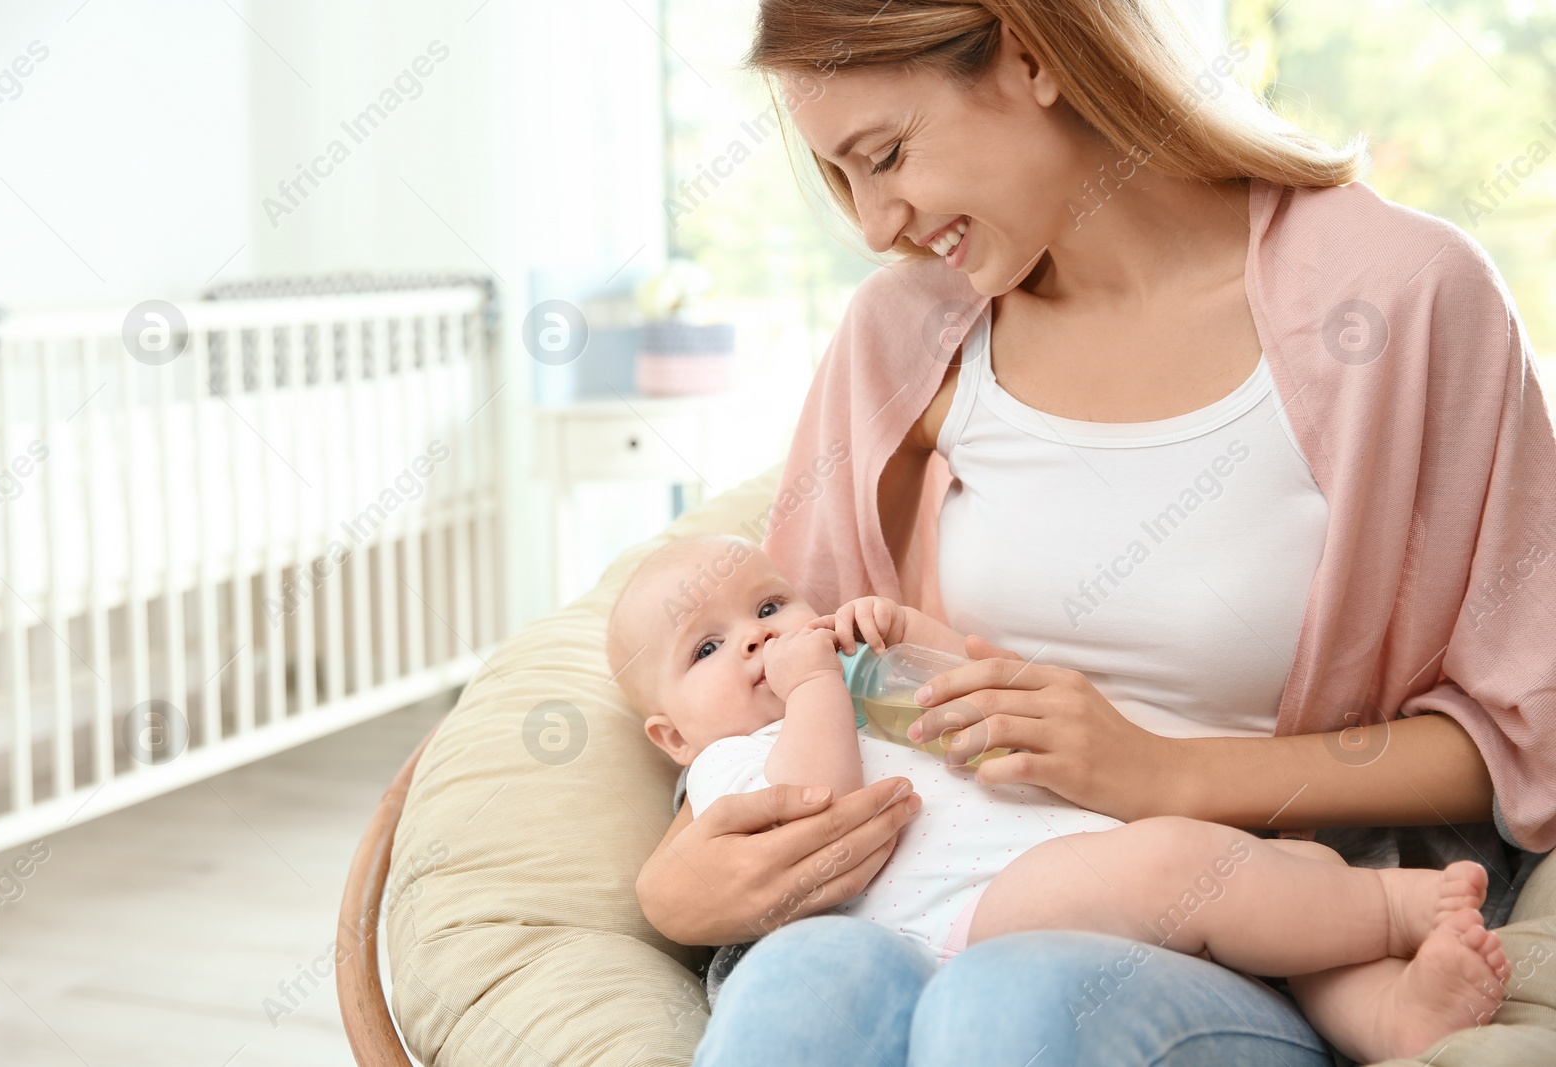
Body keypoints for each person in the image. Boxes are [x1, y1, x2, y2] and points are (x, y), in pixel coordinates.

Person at [632, 3, 1556, 1065]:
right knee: (803, 980)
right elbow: (772, 683)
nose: (876, 223)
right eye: (842, 179)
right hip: (946, 905)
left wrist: (1162, 771)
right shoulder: (907, 335)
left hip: (1258, 932)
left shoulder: (1402, 299)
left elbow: (1509, 742)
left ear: (1031, 54)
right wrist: (675, 880)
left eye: (884, 156)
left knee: (1010, 1004)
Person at [609, 533, 1509, 1064]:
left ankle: (1398, 1015)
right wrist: (811, 688)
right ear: (671, 736)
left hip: (1074, 862)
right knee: (1185, 866)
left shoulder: (853, 692)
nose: (759, 641)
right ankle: (1391, 908)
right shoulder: (728, 768)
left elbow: (983, 703)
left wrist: (912, 640)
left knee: (1281, 885)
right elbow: (815, 801)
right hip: (980, 919)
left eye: (771, 606)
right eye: (707, 648)